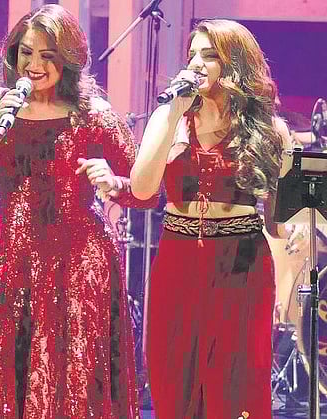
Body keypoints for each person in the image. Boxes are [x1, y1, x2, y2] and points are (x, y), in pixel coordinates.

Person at [0, 5, 157, 418]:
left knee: (72, 378)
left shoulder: (93, 114)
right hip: (15, 260)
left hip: (80, 262)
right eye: (26, 53)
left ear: (69, 60)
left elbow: (146, 193)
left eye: (47, 56)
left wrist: (116, 183)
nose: (34, 65)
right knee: (8, 375)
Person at [130, 19, 296, 418]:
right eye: (191, 55)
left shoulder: (270, 130)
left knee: (235, 384)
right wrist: (172, 113)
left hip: (242, 263)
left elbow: (278, 224)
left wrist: (298, 216)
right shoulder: (169, 117)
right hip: (179, 260)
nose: (195, 64)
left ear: (235, 63)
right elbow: (142, 189)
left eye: (209, 55)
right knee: (175, 377)